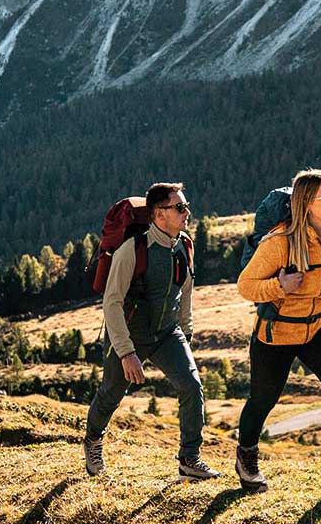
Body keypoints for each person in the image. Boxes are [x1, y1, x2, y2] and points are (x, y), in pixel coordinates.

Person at [234, 168, 321, 498]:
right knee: (263, 399)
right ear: (307, 203)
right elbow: (245, 286)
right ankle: (246, 456)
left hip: (318, 326)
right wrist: (279, 285)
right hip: (277, 333)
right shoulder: (279, 243)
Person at [83, 181, 219, 481]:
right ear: (159, 214)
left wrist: (186, 333)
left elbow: (186, 290)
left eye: (186, 206)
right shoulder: (133, 249)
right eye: (180, 207)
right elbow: (112, 302)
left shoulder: (184, 245)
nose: (187, 212)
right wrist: (126, 352)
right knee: (110, 394)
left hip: (168, 333)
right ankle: (93, 440)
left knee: (191, 387)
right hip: (129, 335)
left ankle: (189, 459)